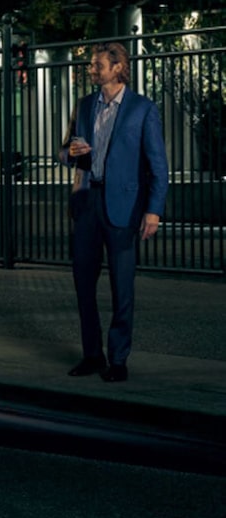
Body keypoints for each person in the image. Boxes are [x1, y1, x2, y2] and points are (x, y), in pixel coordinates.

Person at [60, 41, 168, 382]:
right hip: (88, 203)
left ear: (117, 67)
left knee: (123, 286)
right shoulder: (85, 105)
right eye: (91, 65)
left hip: (125, 207)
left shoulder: (142, 109)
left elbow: (159, 166)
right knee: (83, 283)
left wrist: (153, 212)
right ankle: (92, 354)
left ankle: (118, 359)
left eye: (97, 65)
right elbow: (62, 154)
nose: (91, 70)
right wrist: (71, 151)